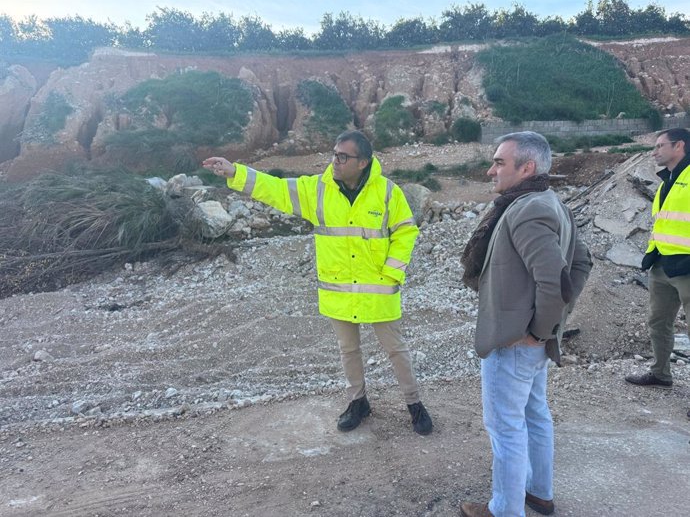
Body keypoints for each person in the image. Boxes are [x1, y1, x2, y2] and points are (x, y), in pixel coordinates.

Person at [202, 130, 432, 435]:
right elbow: (276, 189)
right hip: (338, 290)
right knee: (348, 350)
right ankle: (358, 402)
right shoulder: (318, 190)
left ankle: (415, 405)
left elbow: (405, 231)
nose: (334, 161)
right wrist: (236, 173)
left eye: (343, 156)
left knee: (395, 350)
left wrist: (391, 272)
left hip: (378, 289)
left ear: (362, 162)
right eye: (334, 154)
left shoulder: (387, 192)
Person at [458, 131, 592, 517]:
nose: (490, 170)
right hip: (529, 342)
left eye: (500, 162)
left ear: (527, 167)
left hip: (516, 342)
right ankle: (539, 493)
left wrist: (538, 330)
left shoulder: (526, 210)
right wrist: (550, 324)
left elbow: (555, 281)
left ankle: (505, 510)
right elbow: (580, 263)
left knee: (506, 428)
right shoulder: (550, 203)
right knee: (535, 415)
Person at [625, 128, 690, 420]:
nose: (655, 151)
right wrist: (652, 257)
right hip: (663, 265)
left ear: (680, 146)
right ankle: (661, 373)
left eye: (660, 146)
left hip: (686, 266)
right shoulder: (667, 182)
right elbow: (662, 224)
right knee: (658, 320)